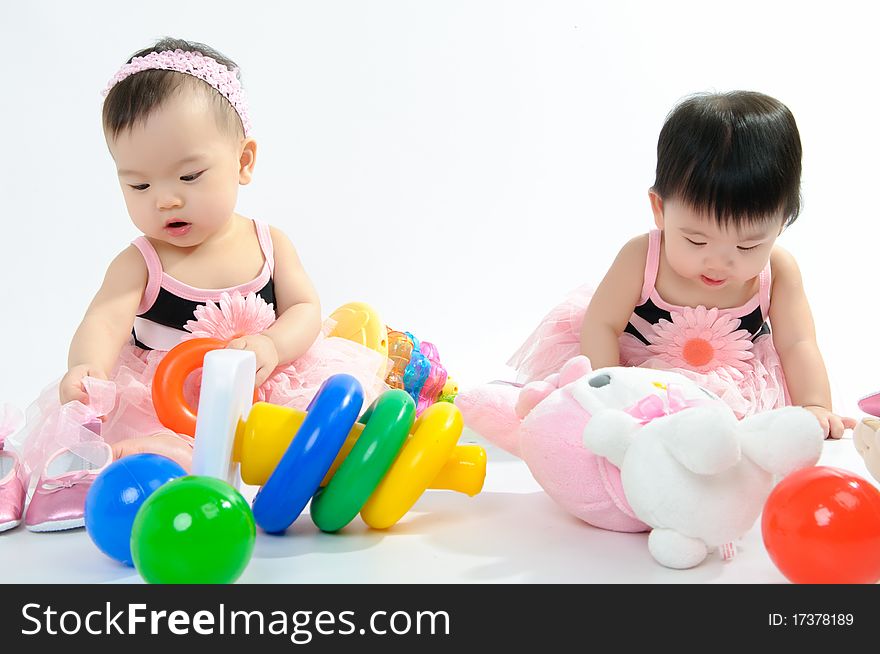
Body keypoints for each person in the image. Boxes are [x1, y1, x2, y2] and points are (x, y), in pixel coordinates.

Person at [6, 38, 389, 531]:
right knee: (178, 451)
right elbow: (104, 320)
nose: (164, 199)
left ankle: (331, 466)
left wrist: (273, 344)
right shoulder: (140, 262)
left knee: (325, 423)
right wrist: (87, 368)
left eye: (189, 176)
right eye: (139, 185)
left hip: (266, 386)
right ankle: (142, 461)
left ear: (243, 161)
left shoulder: (268, 243)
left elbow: (306, 309)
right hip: (168, 405)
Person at [507, 91, 854, 439]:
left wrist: (815, 405)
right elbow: (602, 325)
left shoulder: (778, 272)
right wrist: (607, 396)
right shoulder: (642, 258)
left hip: (733, 389)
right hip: (638, 375)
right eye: (696, 241)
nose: (719, 262)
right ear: (660, 209)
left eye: (747, 245)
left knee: (735, 448)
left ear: (782, 223)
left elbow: (797, 344)